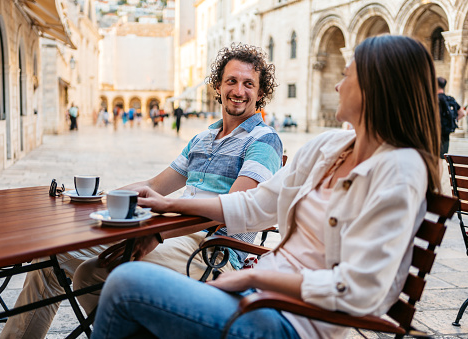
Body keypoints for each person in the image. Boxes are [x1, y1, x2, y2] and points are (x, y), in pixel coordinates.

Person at [91, 35, 441, 339]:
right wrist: (169, 205)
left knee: (125, 282)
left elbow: (360, 289)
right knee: (121, 292)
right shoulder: (330, 147)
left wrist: (247, 280)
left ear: (376, 88)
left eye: (347, 76)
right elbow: (254, 205)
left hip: (291, 321)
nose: (337, 86)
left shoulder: (401, 170)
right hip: (261, 291)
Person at [0, 43, 282, 339]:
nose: (239, 90)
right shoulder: (204, 137)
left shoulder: (264, 140)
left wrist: (158, 234)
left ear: (260, 93)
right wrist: (95, 197)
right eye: (232, 81)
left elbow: (232, 208)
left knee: (90, 273)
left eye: (249, 84)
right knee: (52, 258)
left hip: (212, 252)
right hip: (170, 232)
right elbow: (153, 186)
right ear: (218, 86)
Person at [437, 76, 466, 158]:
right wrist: (454, 119)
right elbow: (462, 113)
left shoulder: (434, 99)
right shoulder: (450, 99)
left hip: (435, 131)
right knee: (442, 156)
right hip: (446, 131)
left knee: (434, 156)